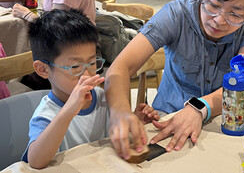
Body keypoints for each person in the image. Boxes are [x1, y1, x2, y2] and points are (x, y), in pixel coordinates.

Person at [105, 0, 244, 160]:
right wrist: (119, 112)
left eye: (235, 14)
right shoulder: (177, 14)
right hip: (167, 119)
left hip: (221, 119)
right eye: (213, 4)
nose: (219, 20)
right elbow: (120, 68)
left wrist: (199, 108)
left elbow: (243, 84)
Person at [21, 9, 159, 169]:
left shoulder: (102, 96)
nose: (87, 74)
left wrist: (134, 121)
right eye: (75, 66)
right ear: (43, 70)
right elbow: (36, 161)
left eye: (92, 63)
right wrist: (68, 111)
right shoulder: (46, 114)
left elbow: (111, 135)